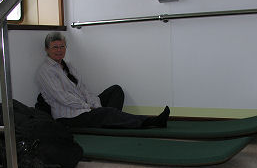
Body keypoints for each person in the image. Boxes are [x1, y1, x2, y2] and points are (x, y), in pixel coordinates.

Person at [35, 32, 170, 129]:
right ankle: (150, 121)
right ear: (47, 49)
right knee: (107, 112)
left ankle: (107, 119)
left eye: (62, 46)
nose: (59, 50)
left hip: (85, 107)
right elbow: (63, 98)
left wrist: (95, 104)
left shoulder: (68, 66)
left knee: (116, 91)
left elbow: (83, 89)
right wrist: (89, 107)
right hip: (69, 116)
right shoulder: (45, 71)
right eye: (55, 47)